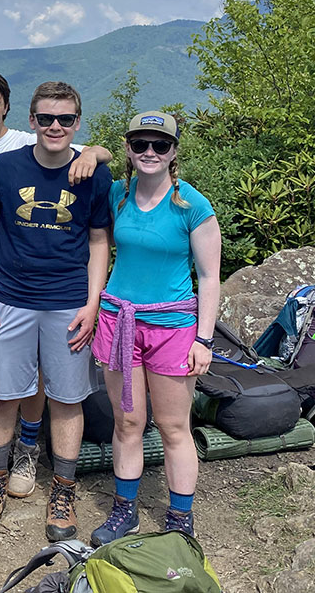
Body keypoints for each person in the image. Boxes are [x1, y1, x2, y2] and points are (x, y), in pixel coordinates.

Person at [0, 70, 110, 515]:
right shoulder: (8, 165)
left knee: (65, 398)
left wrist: (92, 302)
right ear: (32, 119)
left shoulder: (92, 174)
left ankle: (63, 491)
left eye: (64, 119)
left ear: (77, 121)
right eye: (46, 118)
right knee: (3, 395)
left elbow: (100, 240)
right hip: (10, 297)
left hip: (68, 301)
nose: (55, 126)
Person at [89, 111, 220, 545]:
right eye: (141, 144)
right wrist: (91, 150)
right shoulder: (116, 195)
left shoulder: (193, 206)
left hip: (173, 327)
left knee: (173, 427)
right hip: (119, 319)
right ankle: (124, 511)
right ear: (127, 148)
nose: (149, 152)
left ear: (174, 152)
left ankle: (181, 518)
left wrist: (204, 338)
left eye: (159, 145)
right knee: (127, 423)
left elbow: (210, 276)